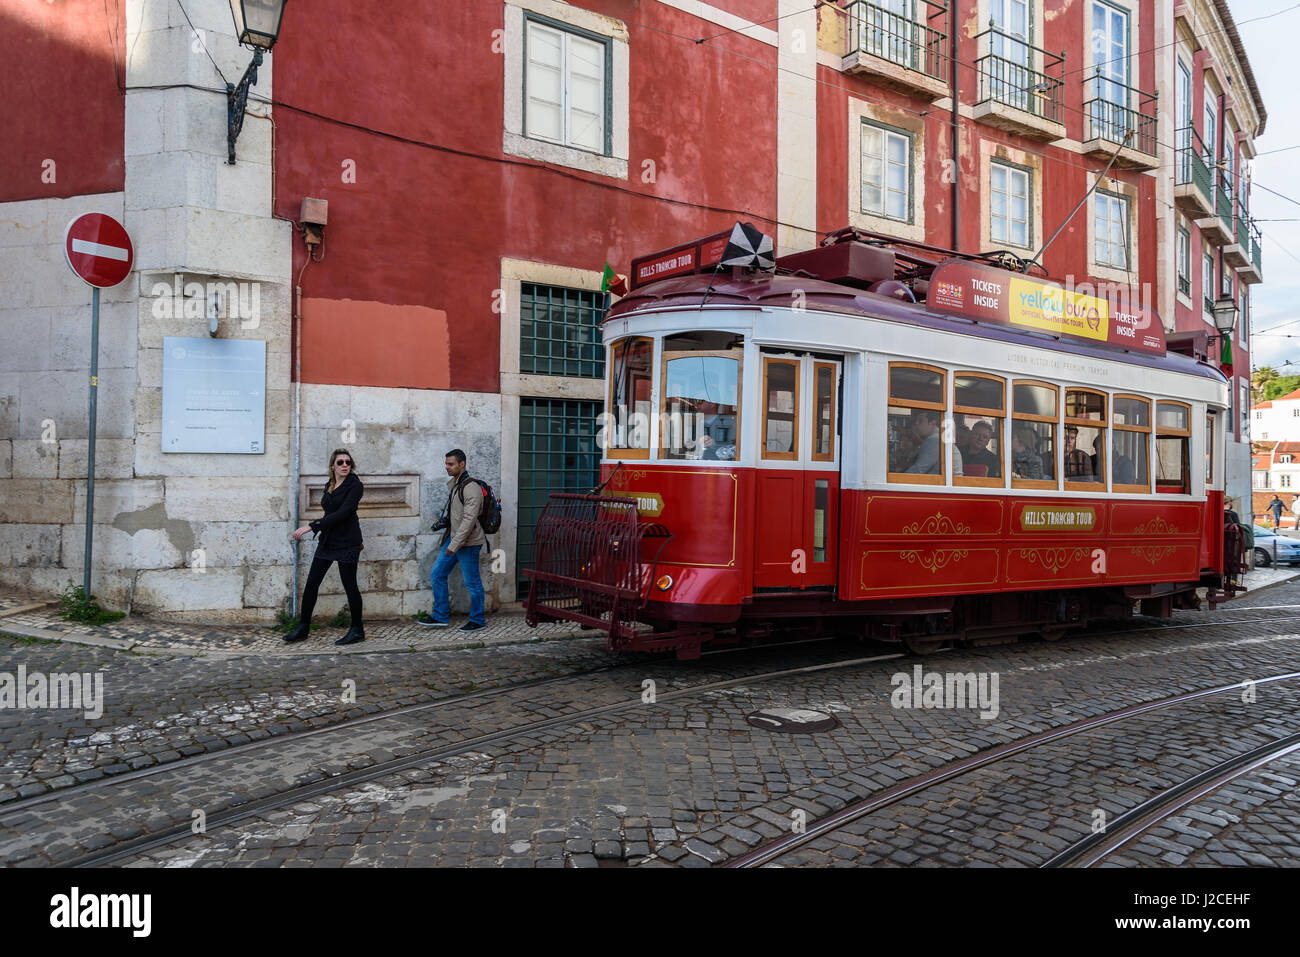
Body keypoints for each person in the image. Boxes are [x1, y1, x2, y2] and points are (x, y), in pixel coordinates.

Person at [286, 449, 365, 645]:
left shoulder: (355, 486)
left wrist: (312, 526)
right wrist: (319, 527)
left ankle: (357, 630)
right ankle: (303, 627)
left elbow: (344, 512)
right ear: (333, 466)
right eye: (340, 462)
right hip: (329, 541)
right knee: (312, 582)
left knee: (350, 586)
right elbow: (330, 512)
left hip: (347, 541)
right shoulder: (329, 485)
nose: (345, 465)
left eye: (348, 462)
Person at [419, 449, 487, 632]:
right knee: (437, 574)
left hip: (468, 543)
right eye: (446, 463)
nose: (447, 467)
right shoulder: (457, 485)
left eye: (451, 464)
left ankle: (478, 619)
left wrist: (454, 546)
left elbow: (469, 520)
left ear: (462, 464)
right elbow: (457, 516)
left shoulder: (470, 487)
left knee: (472, 583)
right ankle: (440, 615)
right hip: (454, 539)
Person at [904, 410, 943, 475]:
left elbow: (918, 470)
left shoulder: (934, 439)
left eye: (920, 421)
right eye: (916, 421)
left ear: (932, 423)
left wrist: (894, 480)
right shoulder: (936, 437)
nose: (916, 423)